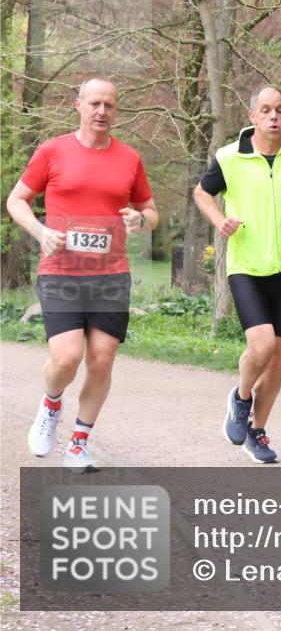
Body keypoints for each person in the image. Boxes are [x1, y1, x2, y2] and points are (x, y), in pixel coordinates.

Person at [7, 77, 159, 473]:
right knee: (67, 357)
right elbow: (16, 200)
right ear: (79, 106)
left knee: (102, 358)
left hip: (110, 275)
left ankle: (78, 444)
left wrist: (140, 219)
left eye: (109, 105)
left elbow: (151, 213)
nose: (102, 111)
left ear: (116, 110)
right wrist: (40, 231)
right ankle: (51, 403)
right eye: (95, 103)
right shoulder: (52, 151)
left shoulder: (129, 158)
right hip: (61, 271)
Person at [193, 86, 281, 464]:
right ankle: (240, 398)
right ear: (252, 116)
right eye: (266, 110)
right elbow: (202, 193)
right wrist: (219, 220)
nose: (274, 116)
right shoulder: (230, 157)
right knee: (262, 346)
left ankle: (257, 431)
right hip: (246, 268)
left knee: (277, 358)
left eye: (280, 110)